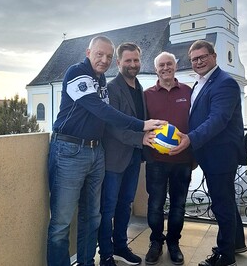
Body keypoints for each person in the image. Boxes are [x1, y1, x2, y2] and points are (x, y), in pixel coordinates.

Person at [47, 35, 165, 266]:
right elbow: (101, 111)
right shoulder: (76, 72)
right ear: (88, 52)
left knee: (92, 217)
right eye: (99, 54)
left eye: (108, 56)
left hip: (95, 151)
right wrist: (141, 126)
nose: (104, 59)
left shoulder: (100, 80)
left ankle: (87, 262)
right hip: (69, 150)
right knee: (61, 223)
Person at [169, 40, 247, 266]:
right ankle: (236, 242)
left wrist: (190, 139)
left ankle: (225, 256)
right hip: (210, 152)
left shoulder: (225, 83)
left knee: (221, 204)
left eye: (203, 57)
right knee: (227, 201)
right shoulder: (201, 82)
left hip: (221, 154)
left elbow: (218, 119)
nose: (198, 62)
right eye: (194, 59)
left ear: (214, 56)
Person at [98, 42, 153, 266]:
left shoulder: (139, 87)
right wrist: (140, 138)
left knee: (125, 204)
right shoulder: (112, 88)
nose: (133, 64)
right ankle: (106, 254)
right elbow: (113, 127)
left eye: (136, 60)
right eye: (128, 60)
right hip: (114, 158)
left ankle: (120, 246)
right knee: (108, 207)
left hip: (134, 156)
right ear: (118, 62)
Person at [144, 52, 194, 265]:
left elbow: (197, 121)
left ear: (175, 66)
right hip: (156, 161)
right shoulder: (147, 94)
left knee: (179, 205)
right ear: (156, 69)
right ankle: (156, 242)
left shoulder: (188, 91)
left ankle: (173, 243)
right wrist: (143, 136)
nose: (165, 68)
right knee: (155, 205)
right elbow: (140, 122)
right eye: (161, 65)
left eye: (169, 64)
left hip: (182, 160)